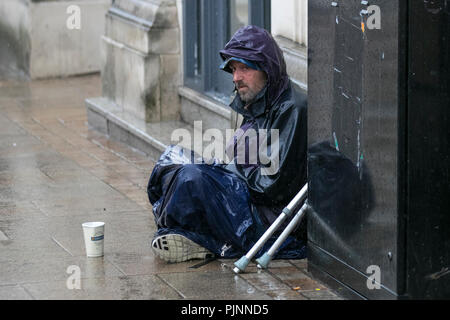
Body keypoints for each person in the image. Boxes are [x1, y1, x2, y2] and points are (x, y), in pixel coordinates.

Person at [147, 25, 307, 263]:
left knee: (192, 177)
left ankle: (194, 237)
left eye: (244, 68)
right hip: (247, 195)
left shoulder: (291, 108)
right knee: (173, 158)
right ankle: (189, 235)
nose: (236, 77)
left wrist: (232, 168)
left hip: (264, 217)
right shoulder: (258, 98)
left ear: (267, 69)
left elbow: (273, 186)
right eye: (233, 69)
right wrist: (230, 165)